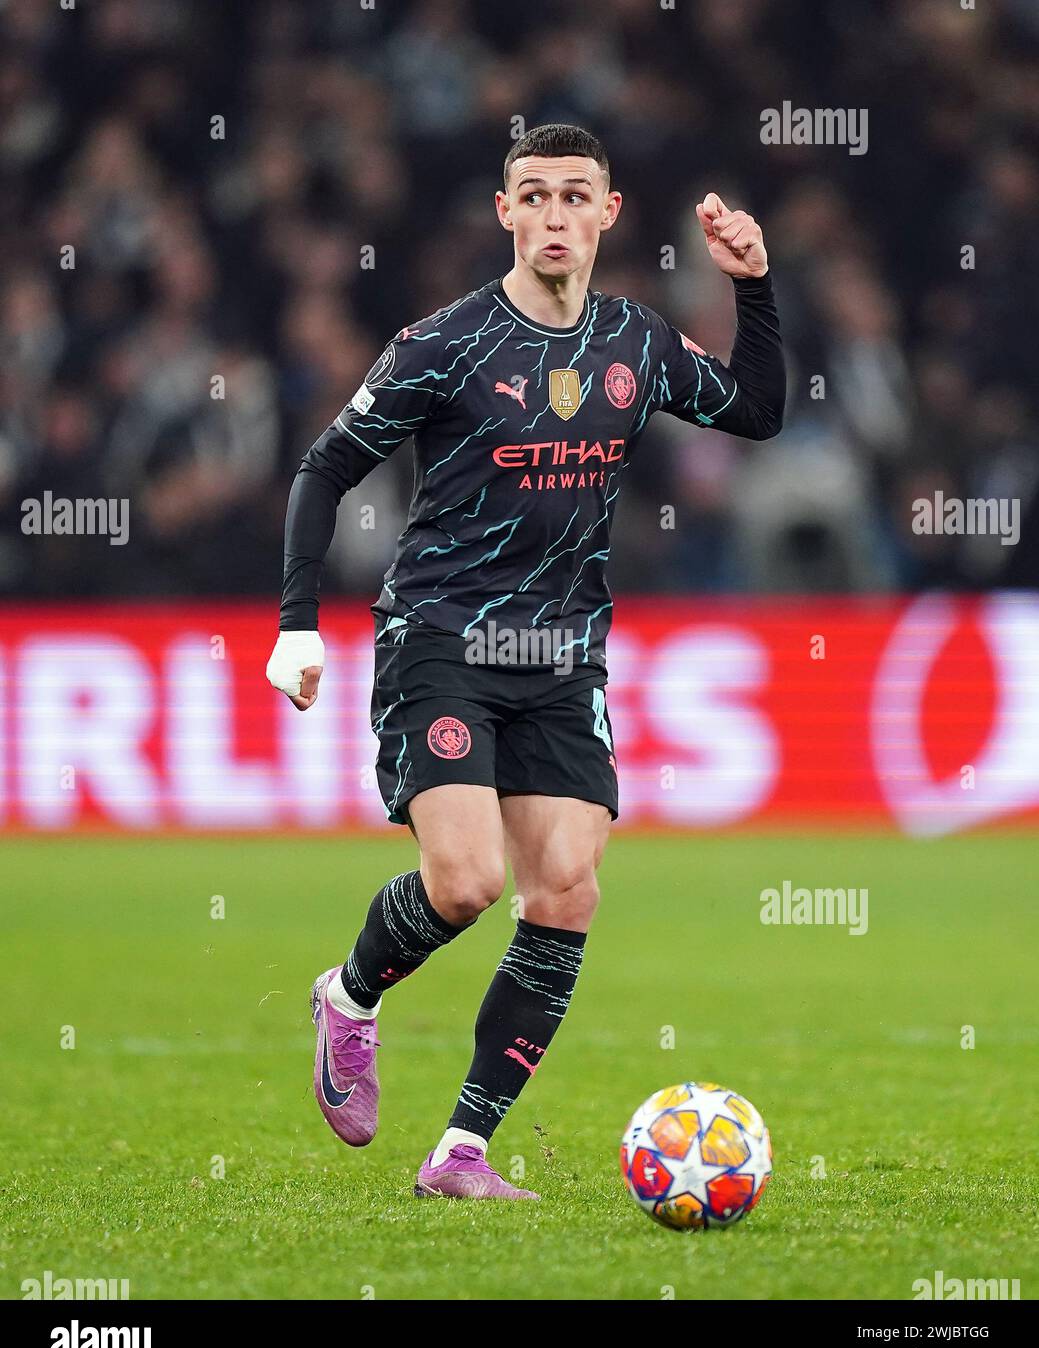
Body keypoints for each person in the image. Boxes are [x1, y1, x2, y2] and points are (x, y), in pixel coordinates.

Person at [266, 123, 784, 1199]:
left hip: (563, 658)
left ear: (608, 212)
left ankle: (462, 1150)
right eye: (534, 196)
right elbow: (324, 471)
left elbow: (759, 412)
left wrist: (755, 288)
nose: (554, 215)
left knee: (565, 892)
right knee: (465, 884)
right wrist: (296, 622)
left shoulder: (636, 343)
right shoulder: (443, 345)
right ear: (505, 214)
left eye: (574, 197)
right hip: (442, 640)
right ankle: (350, 997)